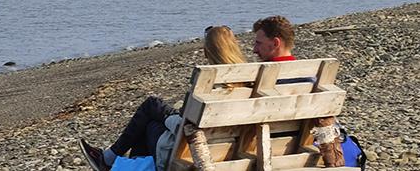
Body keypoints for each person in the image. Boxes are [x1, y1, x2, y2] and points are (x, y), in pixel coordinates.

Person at [82, 17, 299, 170]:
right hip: (249, 148)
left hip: (199, 152)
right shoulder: (263, 80)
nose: (253, 49)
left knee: (151, 113)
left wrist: (170, 117)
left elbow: (188, 127)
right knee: (152, 116)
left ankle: (111, 160)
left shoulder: (232, 81)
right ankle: (112, 160)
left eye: (258, 43)